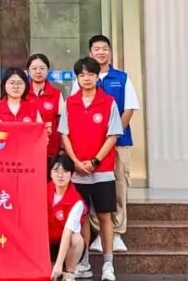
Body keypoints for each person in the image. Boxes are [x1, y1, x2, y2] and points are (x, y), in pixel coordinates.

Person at [70, 35, 139, 253]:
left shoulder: (122, 78)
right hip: (89, 145)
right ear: (90, 53)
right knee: (93, 186)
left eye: (105, 48)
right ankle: (99, 233)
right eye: (96, 49)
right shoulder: (82, 78)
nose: (101, 52)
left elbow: (129, 109)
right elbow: (73, 110)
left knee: (118, 186)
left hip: (118, 143)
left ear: (110, 51)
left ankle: (116, 233)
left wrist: (113, 134)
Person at [60, 57, 123, 281]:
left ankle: (108, 264)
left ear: (97, 77)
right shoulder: (70, 103)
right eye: (82, 75)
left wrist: (95, 161)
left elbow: (113, 135)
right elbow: (64, 135)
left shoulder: (108, 102)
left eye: (90, 74)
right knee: (82, 218)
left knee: (105, 217)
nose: (86, 78)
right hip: (78, 173)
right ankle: (84, 262)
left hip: (102, 171)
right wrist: (76, 162)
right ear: (77, 78)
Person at [48, 156, 88, 281]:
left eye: (65, 171)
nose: (60, 175)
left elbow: (67, 231)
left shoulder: (77, 201)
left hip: (63, 244)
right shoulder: (42, 191)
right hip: (45, 244)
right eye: (56, 171)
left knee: (76, 239)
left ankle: (69, 273)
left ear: (71, 174)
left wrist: (59, 264)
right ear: (50, 173)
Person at [28, 53, 66, 179]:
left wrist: (62, 148)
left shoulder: (56, 94)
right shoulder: (22, 94)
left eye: (42, 68)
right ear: (28, 71)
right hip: (27, 151)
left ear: (48, 70)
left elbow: (62, 122)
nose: (38, 72)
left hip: (51, 151)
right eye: (34, 68)